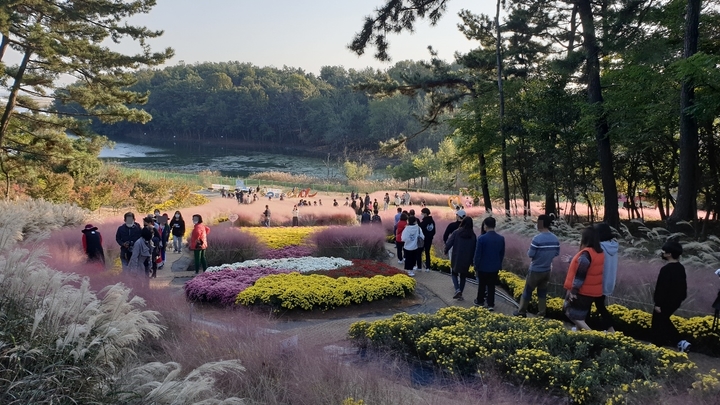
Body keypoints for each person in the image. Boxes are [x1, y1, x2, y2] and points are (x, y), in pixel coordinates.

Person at [513, 214, 560, 318]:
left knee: (528, 291)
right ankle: (541, 313)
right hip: (547, 270)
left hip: (535, 270)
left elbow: (530, 254)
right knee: (542, 292)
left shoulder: (537, 239)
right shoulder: (555, 239)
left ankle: (521, 311)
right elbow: (556, 253)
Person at [562, 227, 605, 331]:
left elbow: (580, 274)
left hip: (582, 291)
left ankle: (593, 335)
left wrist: (573, 290)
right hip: (592, 291)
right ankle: (579, 335)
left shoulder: (586, 254)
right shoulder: (598, 252)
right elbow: (588, 266)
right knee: (581, 315)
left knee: (570, 312)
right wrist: (572, 260)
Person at [652, 241, 690, 352]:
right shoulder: (680, 268)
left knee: (658, 321)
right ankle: (661, 343)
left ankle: (677, 342)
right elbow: (683, 286)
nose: (662, 253)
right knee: (663, 320)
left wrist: (658, 303)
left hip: (664, 301)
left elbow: (661, 288)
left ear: (669, 254)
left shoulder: (666, 270)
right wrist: (682, 297)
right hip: (676, 301)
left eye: (664, 251)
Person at [473, 217, 505, 311]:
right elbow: (501, 253)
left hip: (483, 266)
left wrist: (476, 264)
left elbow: (478, 254)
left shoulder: (481, 238)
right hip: (494, 266)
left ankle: (480, 301)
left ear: (485, 225)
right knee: (491, 286)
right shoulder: (501, 238)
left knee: (482, 285)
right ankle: (491, 303)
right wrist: (499, 264)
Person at [594, 223, 619, 332]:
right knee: (600, 305)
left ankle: (584, 327)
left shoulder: (599, 247)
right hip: (609, 281)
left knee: (590, 304)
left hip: (598, 281)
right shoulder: (614, 246)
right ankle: (609, 328)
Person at [444, 217, 476, 301]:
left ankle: (457, 290)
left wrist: (446, 250)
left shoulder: (457, 232)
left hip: (457, 256)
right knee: (463, 276)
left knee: (454, 273)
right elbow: (474, 248)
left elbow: (449, 242)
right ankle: (460, 292)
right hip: (467, 258)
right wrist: (472, 260)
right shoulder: (473, 235)